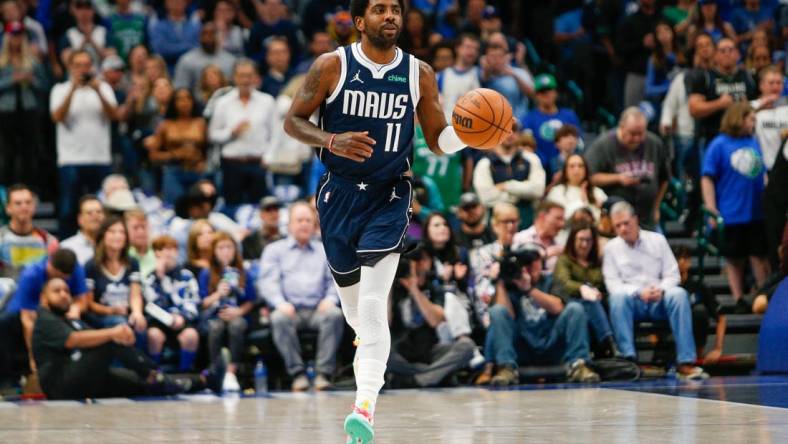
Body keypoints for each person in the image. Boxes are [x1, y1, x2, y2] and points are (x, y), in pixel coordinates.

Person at [282, 0, 483, 438]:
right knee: (358, 317)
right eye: (379, 9)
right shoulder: (331, 66)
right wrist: (330, 139)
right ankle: (368, 352)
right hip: (337, 198)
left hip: (391, 195)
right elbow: (293, 122)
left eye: (395, 9)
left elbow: (438, 140)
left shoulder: (419, 73)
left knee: (374, 305)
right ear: (360, 22)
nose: (389, 15)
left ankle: (364, 408)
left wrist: (469, 134)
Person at [34, 277, 220, 399]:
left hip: (81, 375)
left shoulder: (69, 320)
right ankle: (153, 373)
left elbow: (90, 337)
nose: (64, 295)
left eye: (66, 291)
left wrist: (119, 336)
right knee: (109, 340)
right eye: (57, 291)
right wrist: (114, 333)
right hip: (60, 386)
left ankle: (202, 380)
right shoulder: (44, 318)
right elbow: (72, 340)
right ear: (44, 298)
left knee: (138, 384)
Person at [603, 201, 707, 380]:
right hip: (632, 303)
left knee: (679, 294)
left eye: (626, 223)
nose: (622, 229)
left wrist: (660, 289)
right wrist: (638, 292)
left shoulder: (657, 240)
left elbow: (673, 275)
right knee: (617, 298)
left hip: (660, 300)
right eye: (617, 226)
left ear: (635, 219)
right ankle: (628, 360)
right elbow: (613, 285)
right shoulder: (611, 248)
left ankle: (686, 362)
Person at [258, 202, 343, 392]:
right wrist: (280, 303)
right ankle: (298, 374)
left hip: (317, 309)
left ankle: (323, 374)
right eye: (299, 220)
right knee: (278, 318)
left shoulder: (325, 250)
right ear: (289, 225)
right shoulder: (274, 250)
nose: (304, 224)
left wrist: (330, 298)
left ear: (314, 225)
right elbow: (268, 283)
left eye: (308, 220)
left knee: (335, 314)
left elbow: (335, 281)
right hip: (290, 309)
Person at [486, 246, 600, 386]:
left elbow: (558, 307)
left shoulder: (550, 280)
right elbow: (503, 315)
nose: (530, 266)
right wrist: (501, 282)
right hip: (523, 346)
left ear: (541, 262)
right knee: (497, 311)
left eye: (534, 260)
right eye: (525, 262)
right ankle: (506, 368)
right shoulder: (510, 284)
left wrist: (529, 290)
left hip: (551, 342)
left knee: (575, 308)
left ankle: (578, 365)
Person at [701, 102, 771, 313]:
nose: (753, 124)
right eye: (751, 119)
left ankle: (763, 294)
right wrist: (711, 209)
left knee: (759, 255)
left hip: (756, 210)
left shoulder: (753, 141)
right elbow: (707, 178)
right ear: (739, 119)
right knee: (735, 258)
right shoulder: (719, 144)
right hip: (732, 212)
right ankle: (739, 298)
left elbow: (762, 172)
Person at [50, 50, 118, 237]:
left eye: (86, 65)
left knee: (101, 210)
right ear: (70, 67)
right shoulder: (60, 89)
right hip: (71, 159)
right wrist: (73, 88)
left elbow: (115, 115)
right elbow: (57, 117)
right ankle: (66, 248)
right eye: (78, 65)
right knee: (68, 210)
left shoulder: (103, 88)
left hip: (99, 158)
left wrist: (97, 90)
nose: (83, 69)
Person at [387, 246, 475, 388]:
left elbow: (436, 321)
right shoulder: (393, 289)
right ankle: (437, 375)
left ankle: (419, 379)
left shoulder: (434, 286)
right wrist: (388, 286)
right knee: (381, 355)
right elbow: (385, 321)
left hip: (431, 350)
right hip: (401, 352)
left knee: (467, 346)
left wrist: (414, 289)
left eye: (420, 260)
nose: (417, 265)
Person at [0, 249, 88, 377]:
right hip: (28, 313)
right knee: (3, 324)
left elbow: (82, 301)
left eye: (65, 279)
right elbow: (27, 319)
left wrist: (76, 308)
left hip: (61, 312)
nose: (61, 280)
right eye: (57, 276)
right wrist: (33, 356)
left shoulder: (76, 268)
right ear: (50, 265)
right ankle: (6, 379)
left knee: (88, 321)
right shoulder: (31, 274)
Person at [585, 107, 670, 229]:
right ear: (621, 127)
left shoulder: (654, 143)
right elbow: (590, 177)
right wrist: (618, 178)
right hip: (615, 221)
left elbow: (664, 178)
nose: (637, 138)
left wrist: (656, 207)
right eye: (632, 134)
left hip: (647, 218)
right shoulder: (604, 145)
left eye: (641, 133)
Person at [209, 59, 277, 211]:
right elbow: (213, 134)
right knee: (231, 207)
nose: (245, 80)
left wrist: (269, 156)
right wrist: (231, 132)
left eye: (249, 75)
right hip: (232, 163)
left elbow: (275, 134)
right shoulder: (223, 102)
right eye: (241, 75)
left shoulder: (267, 101)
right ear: (234, 77)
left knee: (260, 208)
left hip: (258, 163)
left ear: (255, 77)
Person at [198, 232, 255, 392]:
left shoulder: (244, 272)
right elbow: (203, 303)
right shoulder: (206, 273)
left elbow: (251, 300)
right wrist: (218, 294)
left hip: (237, 315)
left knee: (236, 326)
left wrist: (238, 312)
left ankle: (231, 371)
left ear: (235, 250)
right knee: (215, 329)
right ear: (214, 251)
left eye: (229, 247)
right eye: (221, 248)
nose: (225, 251)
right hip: (215, 316)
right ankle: (215, 370)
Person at [551, 223, 618, 358]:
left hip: (599, 304)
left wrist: (599, 294)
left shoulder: (598, 263)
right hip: (570, 304)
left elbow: (608, 285)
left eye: (589, 240)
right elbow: (563, 283)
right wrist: (582, 288)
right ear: (573, 240)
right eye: (581, 240)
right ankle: (609, 344)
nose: (585, 244)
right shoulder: (564, 260)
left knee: (608, 302)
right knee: (588, 302)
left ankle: (609, 344)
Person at [143, 235, 201, 372]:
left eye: (172, 249)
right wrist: (161, 278)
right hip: (159, 321)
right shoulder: (150, 279)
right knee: (153, 335)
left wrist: (181, 317)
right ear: (156, 253)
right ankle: (155, 375)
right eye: (163, 249)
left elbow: (192, 302)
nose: (168, 253)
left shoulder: (186, 275)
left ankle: (185, 373)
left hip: (182, 320)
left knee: (191, 335)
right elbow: (152, 306)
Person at [0, 21, 47, 188]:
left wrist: (31, 80)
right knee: (7, 152)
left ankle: (30, 189)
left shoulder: (32, 60)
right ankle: (5, 191)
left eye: (19, 35)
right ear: (7, 37)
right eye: (13, 35)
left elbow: (44, 84)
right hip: (5, 110)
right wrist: (11, 80)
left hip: (29, 109)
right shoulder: (1, 61)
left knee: (30, 151)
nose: (16, 39)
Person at [687, 37, 757, 149]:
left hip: (745, 138)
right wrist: (719, 104)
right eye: (722, 50)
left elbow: (761, 103)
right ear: (715, 55)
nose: (727, 54)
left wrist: (748, 106)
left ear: (738, 54)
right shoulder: (704, 77)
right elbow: (694, 109)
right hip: (712, 138)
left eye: (731, 49)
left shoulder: (749, 77)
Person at [143, 88, 207, 204]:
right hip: (174, 171)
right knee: (175, 208)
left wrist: (204, 162)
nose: (184, 102)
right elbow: (153, 155)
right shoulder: (165, 125)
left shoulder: (201, 123)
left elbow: (209, 149)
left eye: (188, 98)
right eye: (180, 99)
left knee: (200, 207)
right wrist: (174, 154)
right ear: (173, 103)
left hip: (197, 171)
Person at [83, 217, 146, 335]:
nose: (118, 235)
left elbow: (135, 294)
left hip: (126, 313)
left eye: (121, 232)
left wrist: (137, 313)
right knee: (121, 324)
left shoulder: (132, 262)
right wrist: (111, 310)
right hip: (102, 316)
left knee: (140, 324)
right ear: (103, 235)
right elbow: (89, 304)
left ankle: (140, 354)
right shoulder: (91, 265)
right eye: (112, 231)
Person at [473, 132, 546, 229]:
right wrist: (520, 194)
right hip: (498, 223)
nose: (509, 134)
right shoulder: (484, 163)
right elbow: (486, 198)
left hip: (527, 221)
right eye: (503, 130)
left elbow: (538, 190)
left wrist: (507, 186)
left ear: (518, 134)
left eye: (514, 130)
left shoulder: (531, 158)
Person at [674, 245, 726, 364]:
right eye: (677, 258)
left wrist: (718, 349)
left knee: (700, 311)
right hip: (671, 337)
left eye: (685, 258)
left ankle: (697, 353)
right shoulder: (664, 286)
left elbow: (721, 317)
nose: (681, 261)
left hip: (693, 338)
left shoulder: (698, 286)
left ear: (690, 262)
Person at [522, 73, 581, 171]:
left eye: (549, 90)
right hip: (539, 167)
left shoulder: (569, 115)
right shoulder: (528, 119)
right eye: (542, 92)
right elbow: (528, 145)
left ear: (556, 92)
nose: (546, 94)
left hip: (568, 166)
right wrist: (547, 163)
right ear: (536, 95)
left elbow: (579, 141)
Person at [0, 185, 58, 279]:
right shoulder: (1, 239)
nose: (24, 207)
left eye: (28, 202)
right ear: (8, 208)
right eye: (18, 203)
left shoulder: (49, 241)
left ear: (34, 207)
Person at [615, 0, 659, 108]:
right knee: (632, 111)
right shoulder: (630, 21)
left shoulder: (661, 19)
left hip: (659, 74)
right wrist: (641, 43)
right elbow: (620, 48)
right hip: (636, 74)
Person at [173, 22, 235, 98]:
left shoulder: (230, 61)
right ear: (199, 37)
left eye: (212, 33)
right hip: (196, 106)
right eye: (204, 34)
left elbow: (235, 89)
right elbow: (180, 90)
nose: (208, 37)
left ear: (219, 36)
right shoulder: (187, 60)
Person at [546, 154, 608, 222]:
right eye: (572, 166)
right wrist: (583, 201)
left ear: (586, 170)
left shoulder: (597, 192)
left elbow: (604, 217)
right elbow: (561, 217)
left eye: (580, 166)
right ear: (565, 171)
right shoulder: (557, 192)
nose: (576, 169)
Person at [513, 201, 566, 279]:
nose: (562, 224)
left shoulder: (560, 245)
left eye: (563, 220)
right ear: (542, 217)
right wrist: (545, 254)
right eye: (558, 218)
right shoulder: (521, 238)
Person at [436, 33, 480, 122]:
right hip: (446, 127)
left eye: (475, 49)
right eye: (468, 47)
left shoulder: (480, 73)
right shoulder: (441, 75)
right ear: (457, 48)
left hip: (472, 130)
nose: (472, 51)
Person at [752, 66, 788, 173]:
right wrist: (761, 106)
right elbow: (735, 123)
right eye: (771, 83)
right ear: (761, 85)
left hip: (784, 170)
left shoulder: (786, 109)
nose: (775, 86)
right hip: (760, 169)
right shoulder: (750, 107)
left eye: (779, 83)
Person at [147, 0, 201, 70]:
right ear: (166, 3)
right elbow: (160, 50)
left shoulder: (195, 27)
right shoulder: (158, 27)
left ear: (186, 2)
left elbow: (198, 49)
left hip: (191, 71)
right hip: (166, 71)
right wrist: (187, 46)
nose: (177, 2)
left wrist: (172, 47)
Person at [61, 195, 105, 265]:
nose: (95, 216)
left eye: (99, 212)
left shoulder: (113, 245)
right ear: (80, 219)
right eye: (89, 213)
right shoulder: (66, 247)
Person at [241, 196, 284, 261]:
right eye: (268, 210)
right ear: (261, 215)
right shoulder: (249, 241)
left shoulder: (286, 240)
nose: (273, 214)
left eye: (276, 209)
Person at [125, 209, 155, 278]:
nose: (141, 231)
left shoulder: (158, 251)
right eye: (135, 228)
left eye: (143, 227)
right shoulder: (121, 255)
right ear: (126, 230)